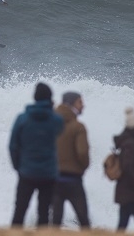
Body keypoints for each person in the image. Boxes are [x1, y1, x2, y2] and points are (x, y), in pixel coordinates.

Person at [9, 82, 64, 228]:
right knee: (44, 214)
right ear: (50, 99)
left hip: (26, 172)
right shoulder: (56, 120)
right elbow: (59, 130)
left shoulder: (22, 119)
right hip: (48, 174)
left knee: (19, 211)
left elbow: (13, 146)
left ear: (34, 97)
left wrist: (18, 167)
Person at [51, 91, 90, 229]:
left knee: (55, 220)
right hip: (73, 179)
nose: (83, 105)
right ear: (72, 103)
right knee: (84, 220)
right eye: (80, 102)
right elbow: (83, 152)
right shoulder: (78, 126)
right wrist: (82, 167)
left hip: (54, 178)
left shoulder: (51, 124)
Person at [113, 107, 134, 232]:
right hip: (130, 190)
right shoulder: (131, 144)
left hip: (126, 189)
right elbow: (127, 166)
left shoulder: (131, 142)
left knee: (123, 223)